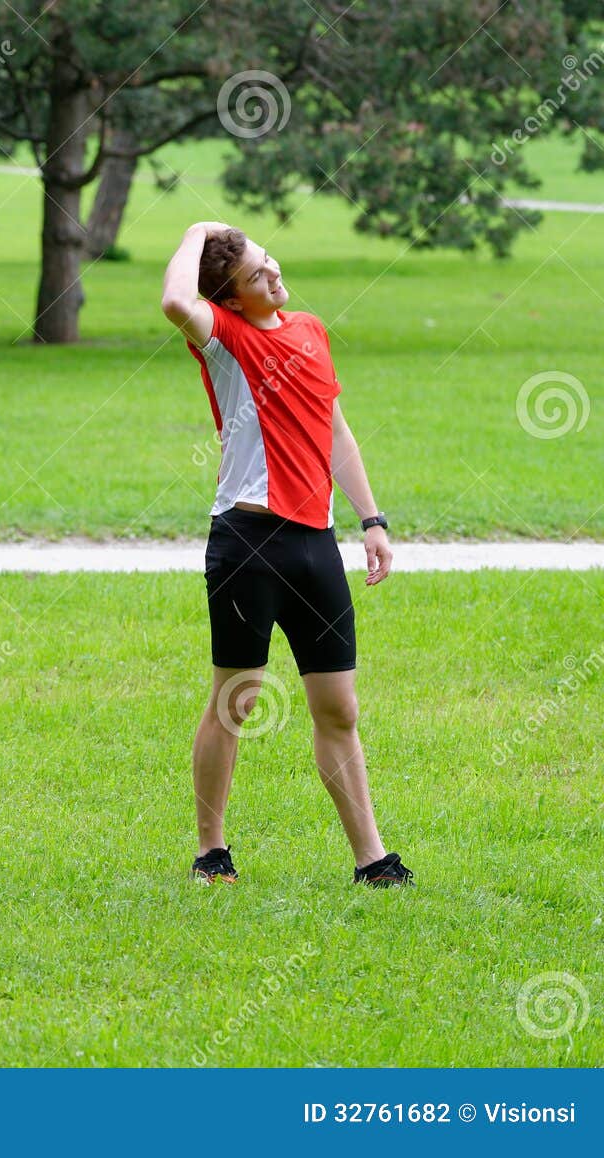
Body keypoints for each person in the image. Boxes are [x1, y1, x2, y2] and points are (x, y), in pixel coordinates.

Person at [160, 221, 413, 888]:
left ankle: (372, 860)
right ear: (232, 299)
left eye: (269, 262)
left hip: (315, 546)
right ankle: (211, 851)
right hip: (247, 545)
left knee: (339, 708)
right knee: (236, 699)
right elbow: (175, 302)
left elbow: (335, 429)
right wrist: (197, 231)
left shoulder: (311, 330)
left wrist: (372, 519)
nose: (272, 275)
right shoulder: (225, 340)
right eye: (254, 275)